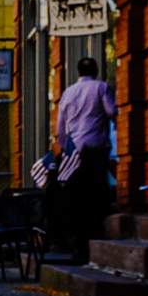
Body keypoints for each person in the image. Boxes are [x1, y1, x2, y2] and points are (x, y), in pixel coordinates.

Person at [52, 57, 118, 263]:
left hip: (74, 150)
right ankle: (96, 238)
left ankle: (79, 243)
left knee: (77, 198)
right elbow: (111, 112)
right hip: (95, 148)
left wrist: (64, 150)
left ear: (78, 72)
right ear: (97, 71)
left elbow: (60, 128)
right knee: (96, 194)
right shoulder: (102, 88)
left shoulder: (68, 93)